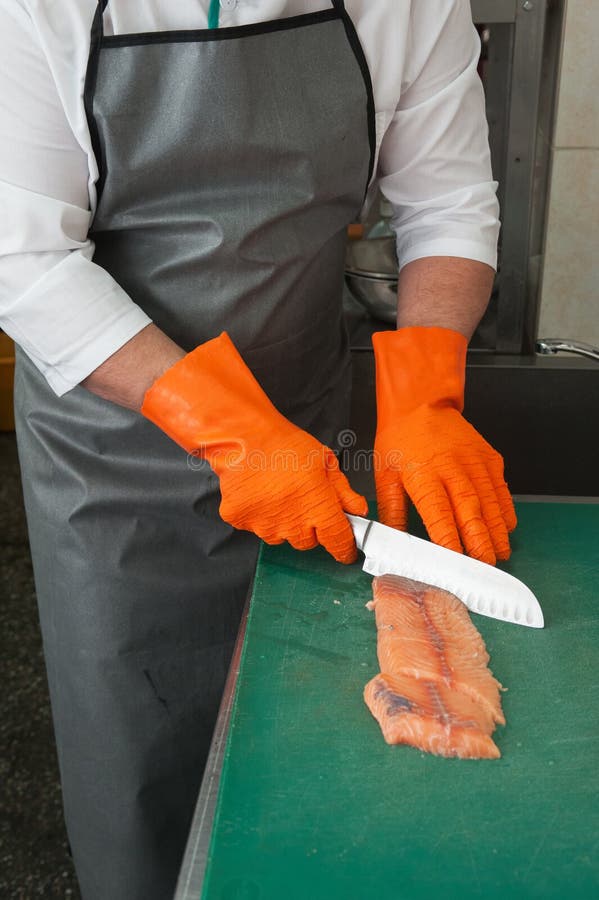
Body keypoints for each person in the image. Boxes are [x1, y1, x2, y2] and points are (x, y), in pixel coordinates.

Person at [0, 1, 517, 897]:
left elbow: (446, 204)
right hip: (114, 449)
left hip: (310, 418)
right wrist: (229, 429)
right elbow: (25, 260)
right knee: (141, 746)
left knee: (305, 730)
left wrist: (425, 394)